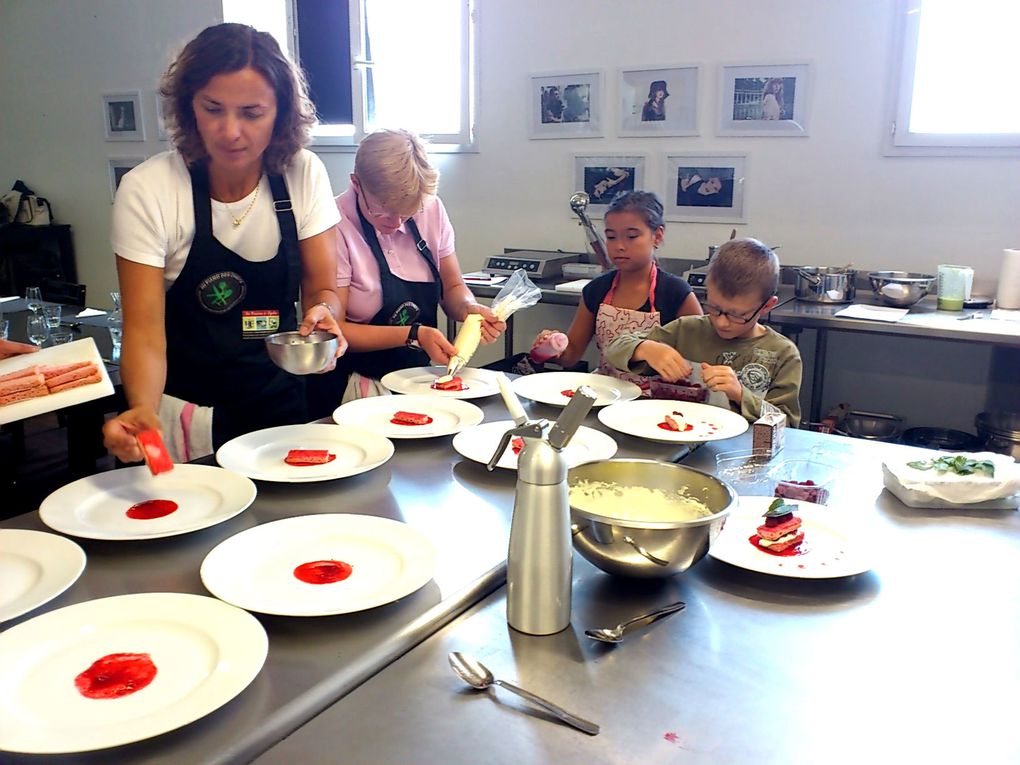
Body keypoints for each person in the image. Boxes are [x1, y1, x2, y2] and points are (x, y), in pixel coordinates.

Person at [103, 23, 344, 463]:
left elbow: (322, 289)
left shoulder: (302, 173)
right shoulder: (149, 189)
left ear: (282, 113)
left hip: (283, 403)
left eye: (252, 113)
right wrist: (141, 407)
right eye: (213, 109)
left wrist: (326, 313)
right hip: (188, 416)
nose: (230, 131)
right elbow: (144, 331)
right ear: (188, 105)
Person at [306, 129, 505, 414]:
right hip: (350, 387)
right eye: (384, 212)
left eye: (408, 213)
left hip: (414, 380)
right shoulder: (334, 225)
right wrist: (412, 334)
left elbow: (452, 288)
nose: (396, 222)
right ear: (356, 184)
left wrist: (470, 309)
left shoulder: (431, 210)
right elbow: (334, 330)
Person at [604, 237, 802, 425]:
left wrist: (741, 395)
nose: (722, 322)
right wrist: (646, 349)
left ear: (767, 306)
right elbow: (614, 348)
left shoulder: (782, 354)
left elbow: (787, 423)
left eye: (737, 315)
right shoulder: (686, 330)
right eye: (715, 308)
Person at [529, 190, 703, 392]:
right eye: (611, 237)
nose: (619, 246)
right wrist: (552, 347)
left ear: (657, 236)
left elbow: (701, 358)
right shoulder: (597, 289)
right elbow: (572, 356)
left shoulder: (676, 293)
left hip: (658, 402)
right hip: (605, 394)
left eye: (631, 236)